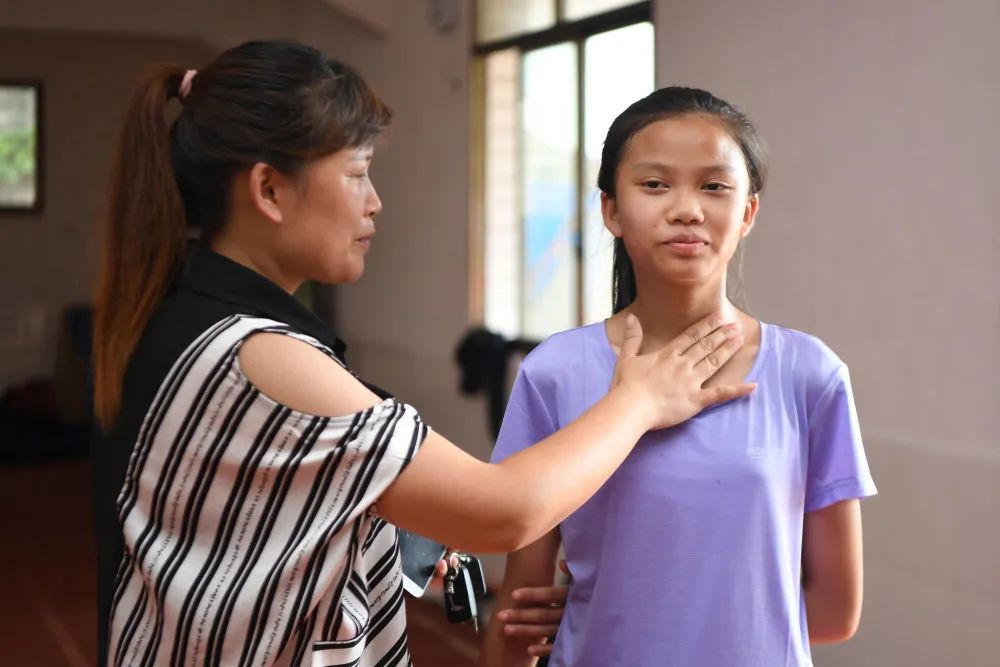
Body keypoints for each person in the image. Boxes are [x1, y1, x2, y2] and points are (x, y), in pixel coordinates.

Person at [90, 43, 756, 667]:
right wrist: (640, 398)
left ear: (749, 209)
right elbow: (504, 510)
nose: (375, 202)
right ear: (268, 190)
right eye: (357, 174)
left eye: (714, 187)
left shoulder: (189, 317)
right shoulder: (260, 352)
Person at [480, 87, 877, 666]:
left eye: (714, 186)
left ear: (748, 211)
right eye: (655, 184)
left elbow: (835, 612)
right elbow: (519, 616)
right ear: (611, 209)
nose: (687, 208)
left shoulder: (810, 375)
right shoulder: (555, 374)